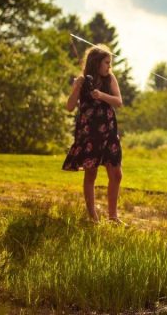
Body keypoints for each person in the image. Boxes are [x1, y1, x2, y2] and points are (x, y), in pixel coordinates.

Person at [62, 44, 124, 224]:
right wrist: (75, 88)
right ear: (96, 63)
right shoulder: (83, 81)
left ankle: (113, 217)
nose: (109, 66)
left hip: (108, 131)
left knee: (116, 173)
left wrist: (101, 95)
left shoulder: (110, 78)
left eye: (110, 63)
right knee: (91, 174)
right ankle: (93, 218)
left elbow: (118, 102)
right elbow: (69, 107)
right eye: (106, 62)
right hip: (89, 133)